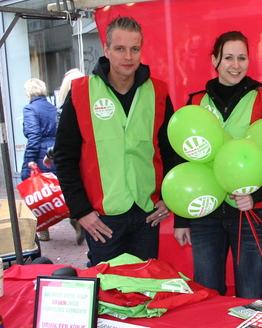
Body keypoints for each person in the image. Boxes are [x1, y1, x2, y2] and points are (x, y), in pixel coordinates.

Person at [54, 16, 183, 266]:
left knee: (144, 289)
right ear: (106, 50)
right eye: (120, 48)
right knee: (109, 291)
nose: (128, 57)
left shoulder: (157, 92)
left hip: (147, 214)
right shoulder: (81, 92)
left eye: (134, 49)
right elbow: (64, 157)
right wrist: (81, 211)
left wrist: (169, 197)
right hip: (103, 218)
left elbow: (171, 150)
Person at [173, 31, 262, 299]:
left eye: (242, 58)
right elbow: (183, 160)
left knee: (250, 295)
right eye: (229, 58)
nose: (236, 65)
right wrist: (182, 219)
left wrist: (255, 195)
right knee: (207, 294)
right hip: (204, 215)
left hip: (249, 214)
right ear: (215, 60)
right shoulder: (196, 102)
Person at [43, 68, 86, 245]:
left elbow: (63, 145)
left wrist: (49, 155)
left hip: (74, 165)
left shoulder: (64, 109)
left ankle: (78, 219)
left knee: (75, 198)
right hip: (88, 164)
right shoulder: (87, 106)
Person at [21, 78, 57, 241]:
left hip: (39, 152)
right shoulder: (52, 108)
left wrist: (30, 159)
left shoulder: (30, 109)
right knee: (55, 187)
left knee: (35, 191)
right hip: (53, 151)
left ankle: (43, 228)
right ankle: (74, 218)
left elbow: (34, 135)